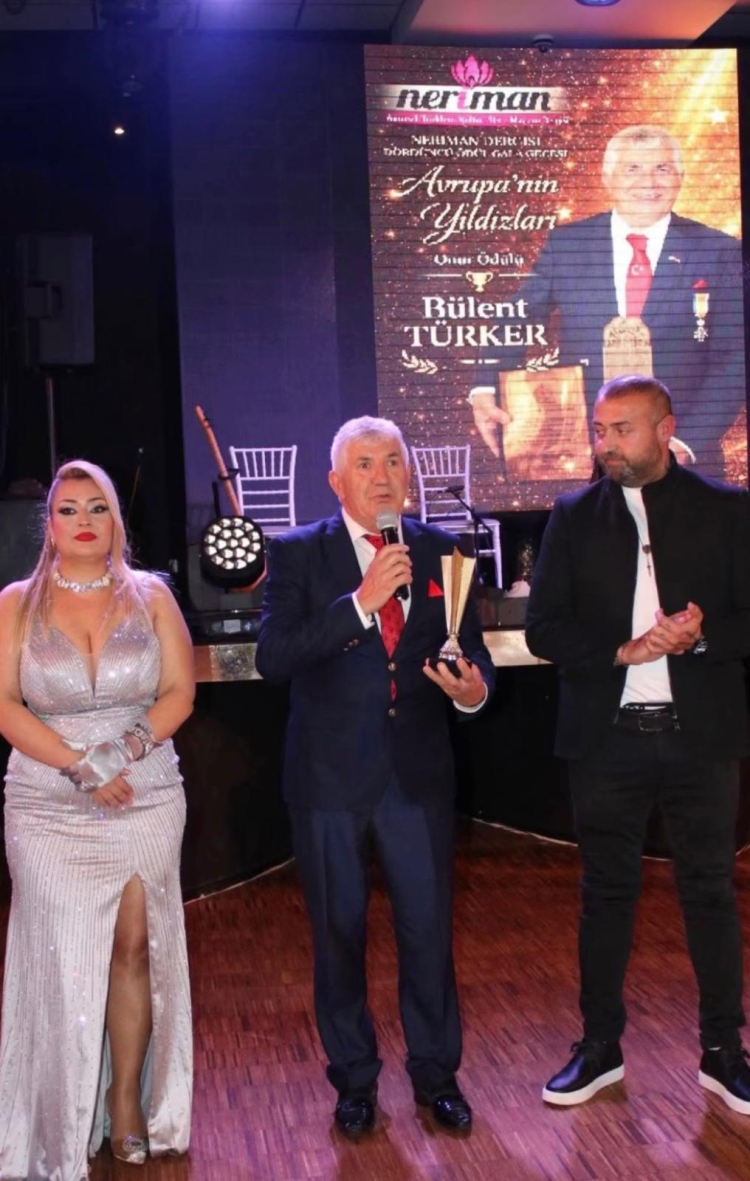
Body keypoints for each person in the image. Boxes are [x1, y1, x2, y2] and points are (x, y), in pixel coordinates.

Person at [255, 416, 494, 1138]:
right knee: (338, 933)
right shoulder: (298, 553)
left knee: (427, 931)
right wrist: (361, 602)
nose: (383, 475)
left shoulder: (442, 550)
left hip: (417, 775)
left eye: (393, 461)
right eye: (365, 464)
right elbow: (274, 657)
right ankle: (354, 1080)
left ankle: (436, 1075)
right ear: (337, 481)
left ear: (408, 475)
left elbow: (472, 656)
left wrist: (472, 692)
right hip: (328, 778)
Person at [525, 375, 750, 1113]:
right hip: (607, 741)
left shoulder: (726, 510)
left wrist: (701, 637)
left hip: (701, 740)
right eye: (600, 430)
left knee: (710, 892)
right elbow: (544, 629)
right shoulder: (572, 516)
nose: (607, 444)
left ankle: (724, 1051)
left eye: (622, 429)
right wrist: (621, 651)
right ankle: (599, 1047)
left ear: (665, 429)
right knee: (605, 894)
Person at [0, 459, 194, 1179]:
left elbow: (179, 692)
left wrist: (119, 753)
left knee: (134, 945)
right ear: (49, 525)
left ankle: (125, 1100)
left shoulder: (152, 596)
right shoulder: (15, 604)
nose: (84, 521)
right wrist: (79, 765)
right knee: (64, 955)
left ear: (116, 520)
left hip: (144, 787)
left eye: (98, 508)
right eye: (68, 510)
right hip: (46, 799)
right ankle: (60, 1110)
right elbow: (5, 705)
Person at [470, 125, 745, 477]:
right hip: (587, 456)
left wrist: (685, 443)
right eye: (633, 169)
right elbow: (517, 316)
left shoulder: (721, 251)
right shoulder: (567, 244)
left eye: (661, 168)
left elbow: (735, 358)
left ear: (680, 177)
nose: (648, 182)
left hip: (684, 462)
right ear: (607, 177)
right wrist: (485, 386)